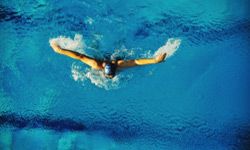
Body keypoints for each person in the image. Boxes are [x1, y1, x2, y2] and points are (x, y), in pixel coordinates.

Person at [50, 41, 166, 78]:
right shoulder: (115, 64)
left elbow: (80, 56)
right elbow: (136, 62)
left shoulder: (98, 65)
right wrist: (154, 60)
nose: (109, 61)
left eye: (109, 63)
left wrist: (61, 51)